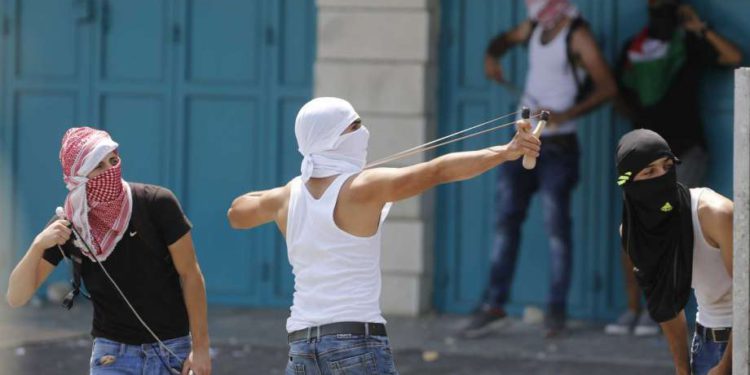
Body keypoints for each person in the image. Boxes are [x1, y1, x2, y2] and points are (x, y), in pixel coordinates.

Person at [227, 97, 541, 374]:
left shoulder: (286, 196)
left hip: (302, 348)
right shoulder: (363, 186)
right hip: (355, 344)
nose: (363, 131)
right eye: (355, 125)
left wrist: (294, 186)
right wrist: (505, 151)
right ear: (333, 138)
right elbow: (439, 171)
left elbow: (237, 212)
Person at [465, 0, 617, 337]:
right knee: (506, 222)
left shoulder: (578, 35)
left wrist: (565, 115)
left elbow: (608, 87)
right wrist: (492, 57)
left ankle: (555, 313)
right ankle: (493, 305)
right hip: (521, 143)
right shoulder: (535, 27)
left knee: (556, 231)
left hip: (558, 147)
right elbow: (501, 41)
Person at [6, 127, 211, 375]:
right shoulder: (69, 223)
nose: (110, 171)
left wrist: (200, 350)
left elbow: (191, 274)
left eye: (113, 160)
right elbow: (16, 297)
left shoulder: (157, 203)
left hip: (171, 351)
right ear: (77, 176)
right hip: (113, 357)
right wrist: (38, 244)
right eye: (98, 166)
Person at [607, 0, 742, 336]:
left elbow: (734, 58)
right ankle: (635, 310)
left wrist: (701, 29)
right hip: (642, 161)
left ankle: (664, 314)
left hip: (682, 152)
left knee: (670, 233)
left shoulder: (690, 43)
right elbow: (617, 92)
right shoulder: (634, 48)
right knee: (634, 234)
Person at [616, 129, 733, 375]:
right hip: (706, 347)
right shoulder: (634, 233)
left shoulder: (714, 213)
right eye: (649, 172)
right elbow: (665, 302)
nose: (663, 176)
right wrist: (682, 368)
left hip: (737, 345)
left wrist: (726, 366)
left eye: (668, 166)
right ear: (628, 183)